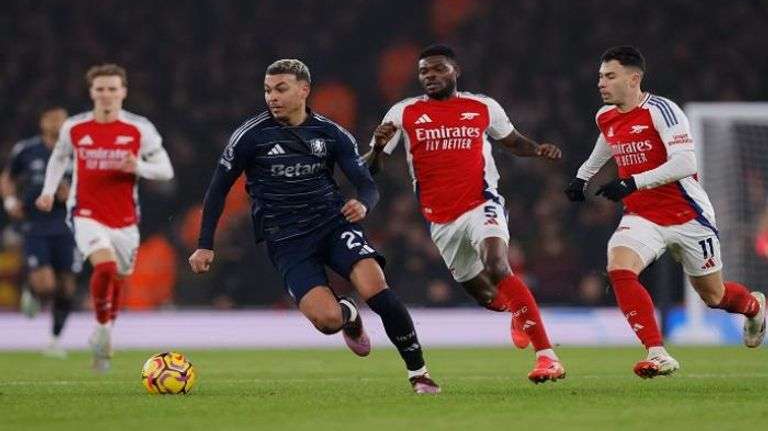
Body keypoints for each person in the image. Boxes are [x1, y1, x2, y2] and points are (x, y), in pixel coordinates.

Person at [188, 59, 440, 394]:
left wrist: (363, 204)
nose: (272, 97)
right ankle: (348, 315)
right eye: (267, 90)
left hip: (332, 225)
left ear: (304, 90)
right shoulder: (250, 136)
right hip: (286, 240)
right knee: (328, 321)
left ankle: (419, 373)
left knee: (376, 286)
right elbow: (217, 190)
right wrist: (205, 244)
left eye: (281, 89)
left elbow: (366, 185)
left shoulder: (331, 133)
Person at [364, 44, 566, 383]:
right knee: (486, 296)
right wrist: (378, 148)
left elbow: (511, 140)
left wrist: (537, 150)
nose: (430, 76)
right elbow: (370, 168)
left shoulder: (482, 106)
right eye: (424, 71)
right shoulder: (403, 112)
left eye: (438, 69)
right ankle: (516, 311)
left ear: (455, 71)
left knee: (497, 264)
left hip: (482, 202)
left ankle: (547, 357)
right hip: (441, 220)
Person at [564, 45, 766, 378]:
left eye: (610, 76)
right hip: (642, 216)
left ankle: (754, 307)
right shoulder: (605, 115)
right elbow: (607, 141)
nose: (601, 83)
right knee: (619, 268)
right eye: (600, 76)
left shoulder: (663, 110)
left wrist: (632, 182)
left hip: (688, 216)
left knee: (714, 296)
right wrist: (582, 177)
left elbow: (685, 162)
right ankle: (657, 353)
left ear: (634, 79)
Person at [36, 64, 174, 371]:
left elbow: (165, 170)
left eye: (112, 89)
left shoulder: (139, 128)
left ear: (123, 92)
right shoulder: (75, 127)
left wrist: (138, 166)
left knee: (118, 276)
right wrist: (48, 191)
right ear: (91, 93)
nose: (106, 94)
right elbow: (58, 157)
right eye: (100, 89)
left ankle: (106, 332)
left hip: (125, 219)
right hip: (86, 212)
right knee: (106, 266)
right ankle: (101, 328)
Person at [1, 106, 80, 358]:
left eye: (62, 120)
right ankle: (33, 291)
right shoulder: (27, 149)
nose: (57, 124)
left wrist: (72, 196)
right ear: (42, 122)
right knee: (46, 286)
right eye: (52, 119)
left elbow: (93, 186)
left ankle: (54, 340)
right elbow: (7, 178)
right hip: (36, 224)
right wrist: (10, 202)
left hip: (69, 225)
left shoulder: (79, 151)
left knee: (66, 287)